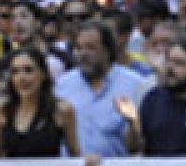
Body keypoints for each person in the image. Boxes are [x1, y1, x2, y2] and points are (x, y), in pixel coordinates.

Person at [54, 20, 145, 158]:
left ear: (107, 50)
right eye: (78, 48)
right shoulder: (63, 85)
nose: (83, 54)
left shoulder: (134, 84)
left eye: (91, 47)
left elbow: (141, 140)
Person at [0, 46, 81, 160]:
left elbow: (76, 156)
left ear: (43, 74)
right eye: (15, 72)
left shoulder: (62, 109)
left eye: (28, 70)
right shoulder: (2, 109)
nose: (21, 78)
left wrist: (91, 161)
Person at [137, 36, 186, 157]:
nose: (169, 68)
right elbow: (135, 148)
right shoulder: (152, 99)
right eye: (168, 61)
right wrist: (133, 122)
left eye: (179, 63)